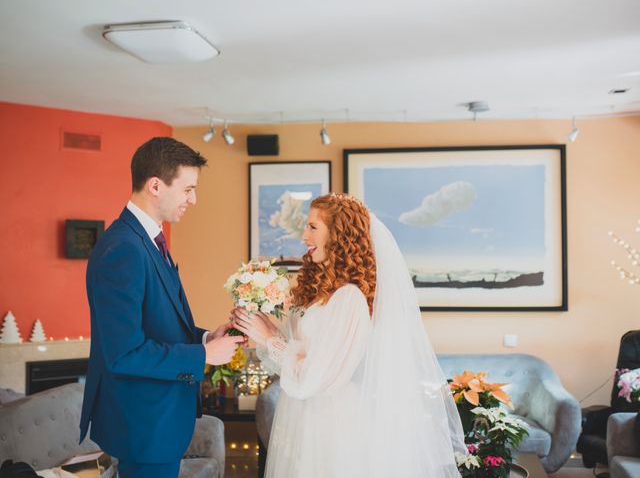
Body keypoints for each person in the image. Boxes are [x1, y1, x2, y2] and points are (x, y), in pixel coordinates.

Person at [233, 193, 466, 477]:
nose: (304, 235)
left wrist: (269, 337)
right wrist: (257, 321)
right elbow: (300, 348)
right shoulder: (319, 293)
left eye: (313, 227)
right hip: (305, 415)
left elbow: (318, 375)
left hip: (334, 422)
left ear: (339, 235)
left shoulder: (349, 299)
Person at [79, 137, 245, 478]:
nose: (193, 199)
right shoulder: (123, 248)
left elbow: (158, 325)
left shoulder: (147, 241)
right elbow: (124, 353)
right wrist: (204, 357)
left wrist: (204, 339)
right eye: (187, 189)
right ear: (155, 185)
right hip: (143, 425)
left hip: (158, 423)